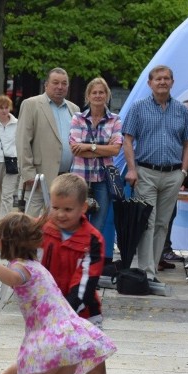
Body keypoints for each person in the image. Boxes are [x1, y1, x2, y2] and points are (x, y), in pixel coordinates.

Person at [0, 173, 120, 374]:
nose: (61, 214)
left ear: (83, 208)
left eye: (68, 209)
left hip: (81, 309)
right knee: (36, 362)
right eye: (55, 208)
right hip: (48, 312)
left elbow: (86, 282)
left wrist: (66, 315)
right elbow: (11, 233)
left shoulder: (93, 239)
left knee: (95, 362)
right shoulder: (43, 227)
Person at [121, 65, 188, 281]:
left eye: (166, 78)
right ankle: (146, 271)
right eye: (158, 79)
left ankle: (152, 269)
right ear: (150, 83)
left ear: (172, 82)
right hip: (145, 172)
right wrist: (132, 169)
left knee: (163, 224)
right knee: (147, 222)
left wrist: (183, 171)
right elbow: (127, 140)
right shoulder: (138, 108)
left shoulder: (182, 110)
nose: (162, 82)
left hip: (173, 174)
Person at [69, 77, 123, 267]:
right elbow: (74, 147)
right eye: (94, 92)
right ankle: (75, 261)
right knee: (76, 221)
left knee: (97, 226)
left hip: (103, 179)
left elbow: (116, 149)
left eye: (101, 92)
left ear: (107, 95)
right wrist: (101, 148)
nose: (98, 96)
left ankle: (90, 266)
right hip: (79, 179)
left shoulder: (115, 120)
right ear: (88, 96)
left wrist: (88, 147)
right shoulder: (77, 118)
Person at [16, 68, 80, 215]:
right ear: (46, 85)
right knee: (32, 225)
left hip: (66, 179)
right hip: (39, 179)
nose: (60, 87)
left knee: (58, 224)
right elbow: (22, 141)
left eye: (64, 83)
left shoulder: (74, 109)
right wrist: (28, 173)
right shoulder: (31, 104)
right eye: (55, 83)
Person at [160, 99, 188, 269]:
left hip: (174, 178)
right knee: (165, 216)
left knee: (168, 216)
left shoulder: (184, 132)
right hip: (170, 178)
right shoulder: (182, 132)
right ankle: (162, 252)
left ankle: (162, 253)